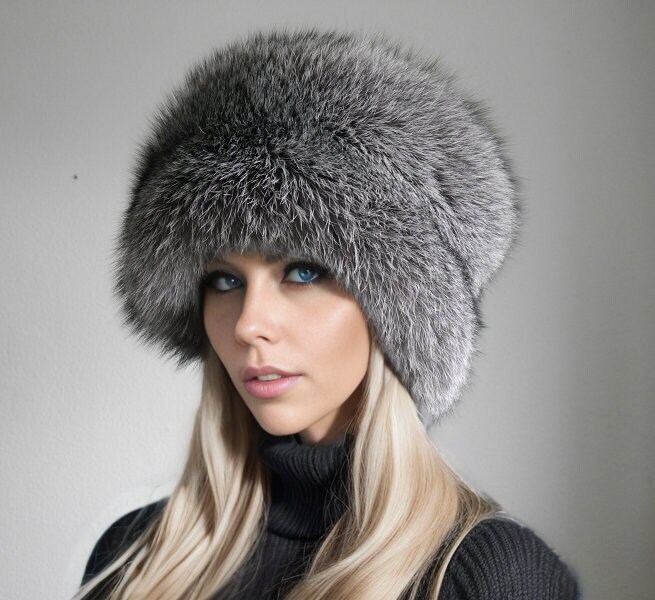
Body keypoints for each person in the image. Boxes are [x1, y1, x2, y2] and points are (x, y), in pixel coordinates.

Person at [76, 27, 580, 599]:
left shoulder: (490, 576)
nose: (247, 324)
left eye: (303, 272)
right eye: (225, 280)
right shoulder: (137, 558)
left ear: (396, 311)